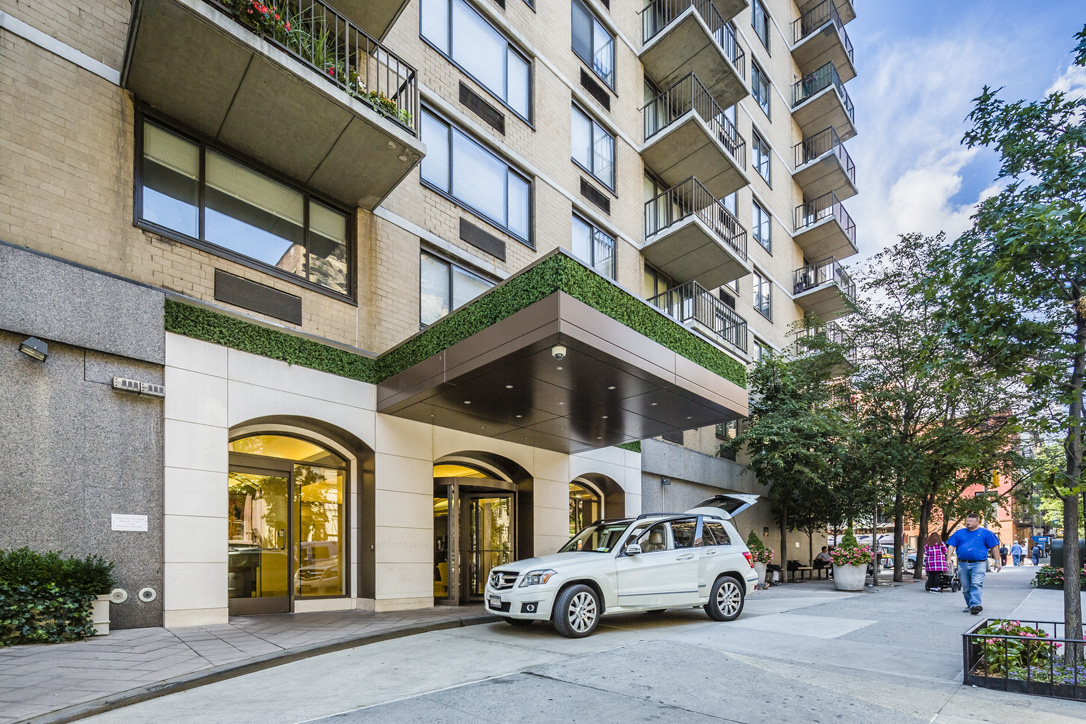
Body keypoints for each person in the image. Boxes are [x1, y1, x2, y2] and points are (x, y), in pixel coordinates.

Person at [946, 513, 1002, 615]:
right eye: (967, 521)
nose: (968, 523)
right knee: (966, 587)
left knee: (976, 584)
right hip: (963, 563)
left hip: (979, 563)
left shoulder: (986, 533)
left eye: (971, 521)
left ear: (977, 522)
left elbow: (994, 547)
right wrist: (948, 559)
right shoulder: (959, 533)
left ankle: (976, 604)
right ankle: (970, 605)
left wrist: (997, 562)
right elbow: (951, 546)